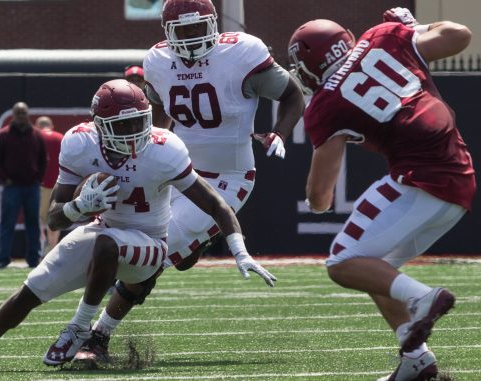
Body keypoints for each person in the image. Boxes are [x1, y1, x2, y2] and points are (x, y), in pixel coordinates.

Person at [0, 79, 275, 372]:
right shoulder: (80, 143)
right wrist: (80, 206)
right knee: (32, 288)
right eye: (120, 125)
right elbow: (54, 217)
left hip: (150, 245)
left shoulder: (164, 148)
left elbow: (214, 202)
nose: (131, 132)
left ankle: (80, 327)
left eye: (138, 122)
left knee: (107, 243)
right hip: (103, 232)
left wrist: (239, 251)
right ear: (98, 124)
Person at [63, 0, 303, 367]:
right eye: (184, 29)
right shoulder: (158, 60)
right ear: (168, 32)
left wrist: (280, 132)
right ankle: (197, 241)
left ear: (213, 24)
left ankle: (97, 336)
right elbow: (156, 119)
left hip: (227, 177)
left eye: (198, 27)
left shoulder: (241, 53)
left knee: (153, 253)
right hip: (176, 169)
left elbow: (291, 93)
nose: (192, 37)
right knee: (162, 248)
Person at [288, 8, 475, 381]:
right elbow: (460, 34)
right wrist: (412, 29)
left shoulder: (326, 104)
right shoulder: (384, 35)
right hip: (460, 176)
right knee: (373, 268)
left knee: (342, 262)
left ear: (308, 68)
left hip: (419, 180)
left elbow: (322, 197)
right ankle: (416, 360)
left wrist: (313, 198)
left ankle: (424, 298)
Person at [0, 102, 47, 268]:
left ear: (28, 114)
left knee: (33, 225)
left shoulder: (37, 135)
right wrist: (4, 178)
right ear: (13, 115)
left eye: (24, 113)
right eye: (18, 113)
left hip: (32, 186)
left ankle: (33, 258)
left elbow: (44, 159)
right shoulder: (3, 135)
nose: (21, 116)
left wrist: (38, 178)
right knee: (7, 223)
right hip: (12, 187)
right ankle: (3, 259)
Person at [37, 116, 64, 255]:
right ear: (51, 126)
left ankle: (43, 248)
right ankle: (53, 247)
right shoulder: (61, 137)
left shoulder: (36, 137)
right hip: (59, 183)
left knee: (40, 219)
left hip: (40, 184)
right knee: (55, 217)